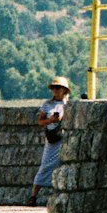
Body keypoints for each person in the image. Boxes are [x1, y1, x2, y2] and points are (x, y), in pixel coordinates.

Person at [27, 76, 71, 206]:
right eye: (54, 88)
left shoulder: (68, 105)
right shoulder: (47, 105)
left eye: (58, 88)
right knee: (45, 166)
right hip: (52, 139)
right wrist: (50, 120)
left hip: (65, 139)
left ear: (64, 90)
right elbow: (40, 121)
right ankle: (33, 196)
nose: (55, 91)